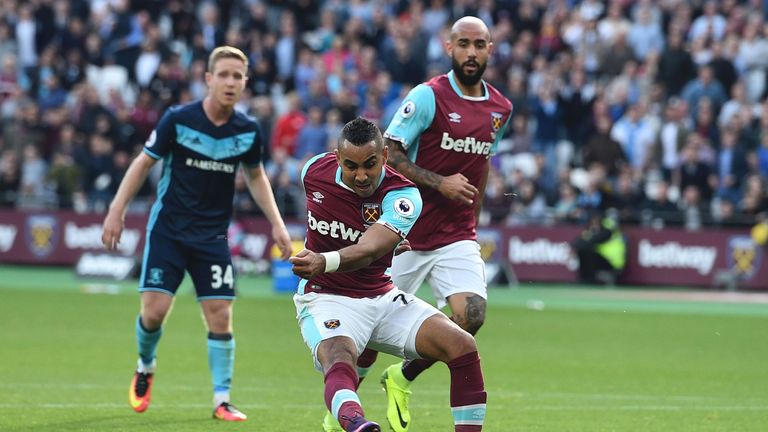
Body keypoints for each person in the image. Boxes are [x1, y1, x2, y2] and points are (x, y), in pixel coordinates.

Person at [322, 16, 512, 432]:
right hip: (405, 232)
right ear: (450, 48)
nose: (471, 53)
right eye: (463, 44)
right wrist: (439, 182)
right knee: (369, 337)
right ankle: (340, 412)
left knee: (472, 315)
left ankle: (402, 377)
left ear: (490, 50)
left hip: (457, 235)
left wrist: (473, 224)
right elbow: (389, 153)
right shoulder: (428, 97)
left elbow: (480, 170)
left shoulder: (500, 109)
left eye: (479, 45)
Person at [101, 46, 292, 421]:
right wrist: (116, 210)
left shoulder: (248, 130)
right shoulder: (178, 119)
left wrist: (277, 222)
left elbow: (255, 176)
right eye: (223, 74)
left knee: (220, 316)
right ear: (208, 79)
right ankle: (145, 365)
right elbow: (143, 163)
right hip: (169, 232)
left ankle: (222, 399)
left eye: (238, 76)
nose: (230, 82)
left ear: (245, 83)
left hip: (212, 238)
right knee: (153, 313)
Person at [291, 118, 487, 432]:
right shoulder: (313, 171)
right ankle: (356, 424)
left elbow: (368, 250)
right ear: (337, 158)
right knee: (339, 356)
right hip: (324, 297)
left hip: (382, 297)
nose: (361, 175)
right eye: (351, 166)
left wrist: (323, 259)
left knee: (462, 344)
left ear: (384, 156)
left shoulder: (403, 195)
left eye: (370, 164)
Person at [569, 211, 626, 285]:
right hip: (604, 258)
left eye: (596, 221)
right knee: (583, 250)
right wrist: (574, 248)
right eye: (592, 221)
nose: (594, 223)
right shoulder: (595, 229)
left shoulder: (608, 230)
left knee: (587, 250)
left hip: (613, 262)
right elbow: (580, 240)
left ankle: (590, 279)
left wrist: (576, 247)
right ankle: (584, 278)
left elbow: (593, 240)